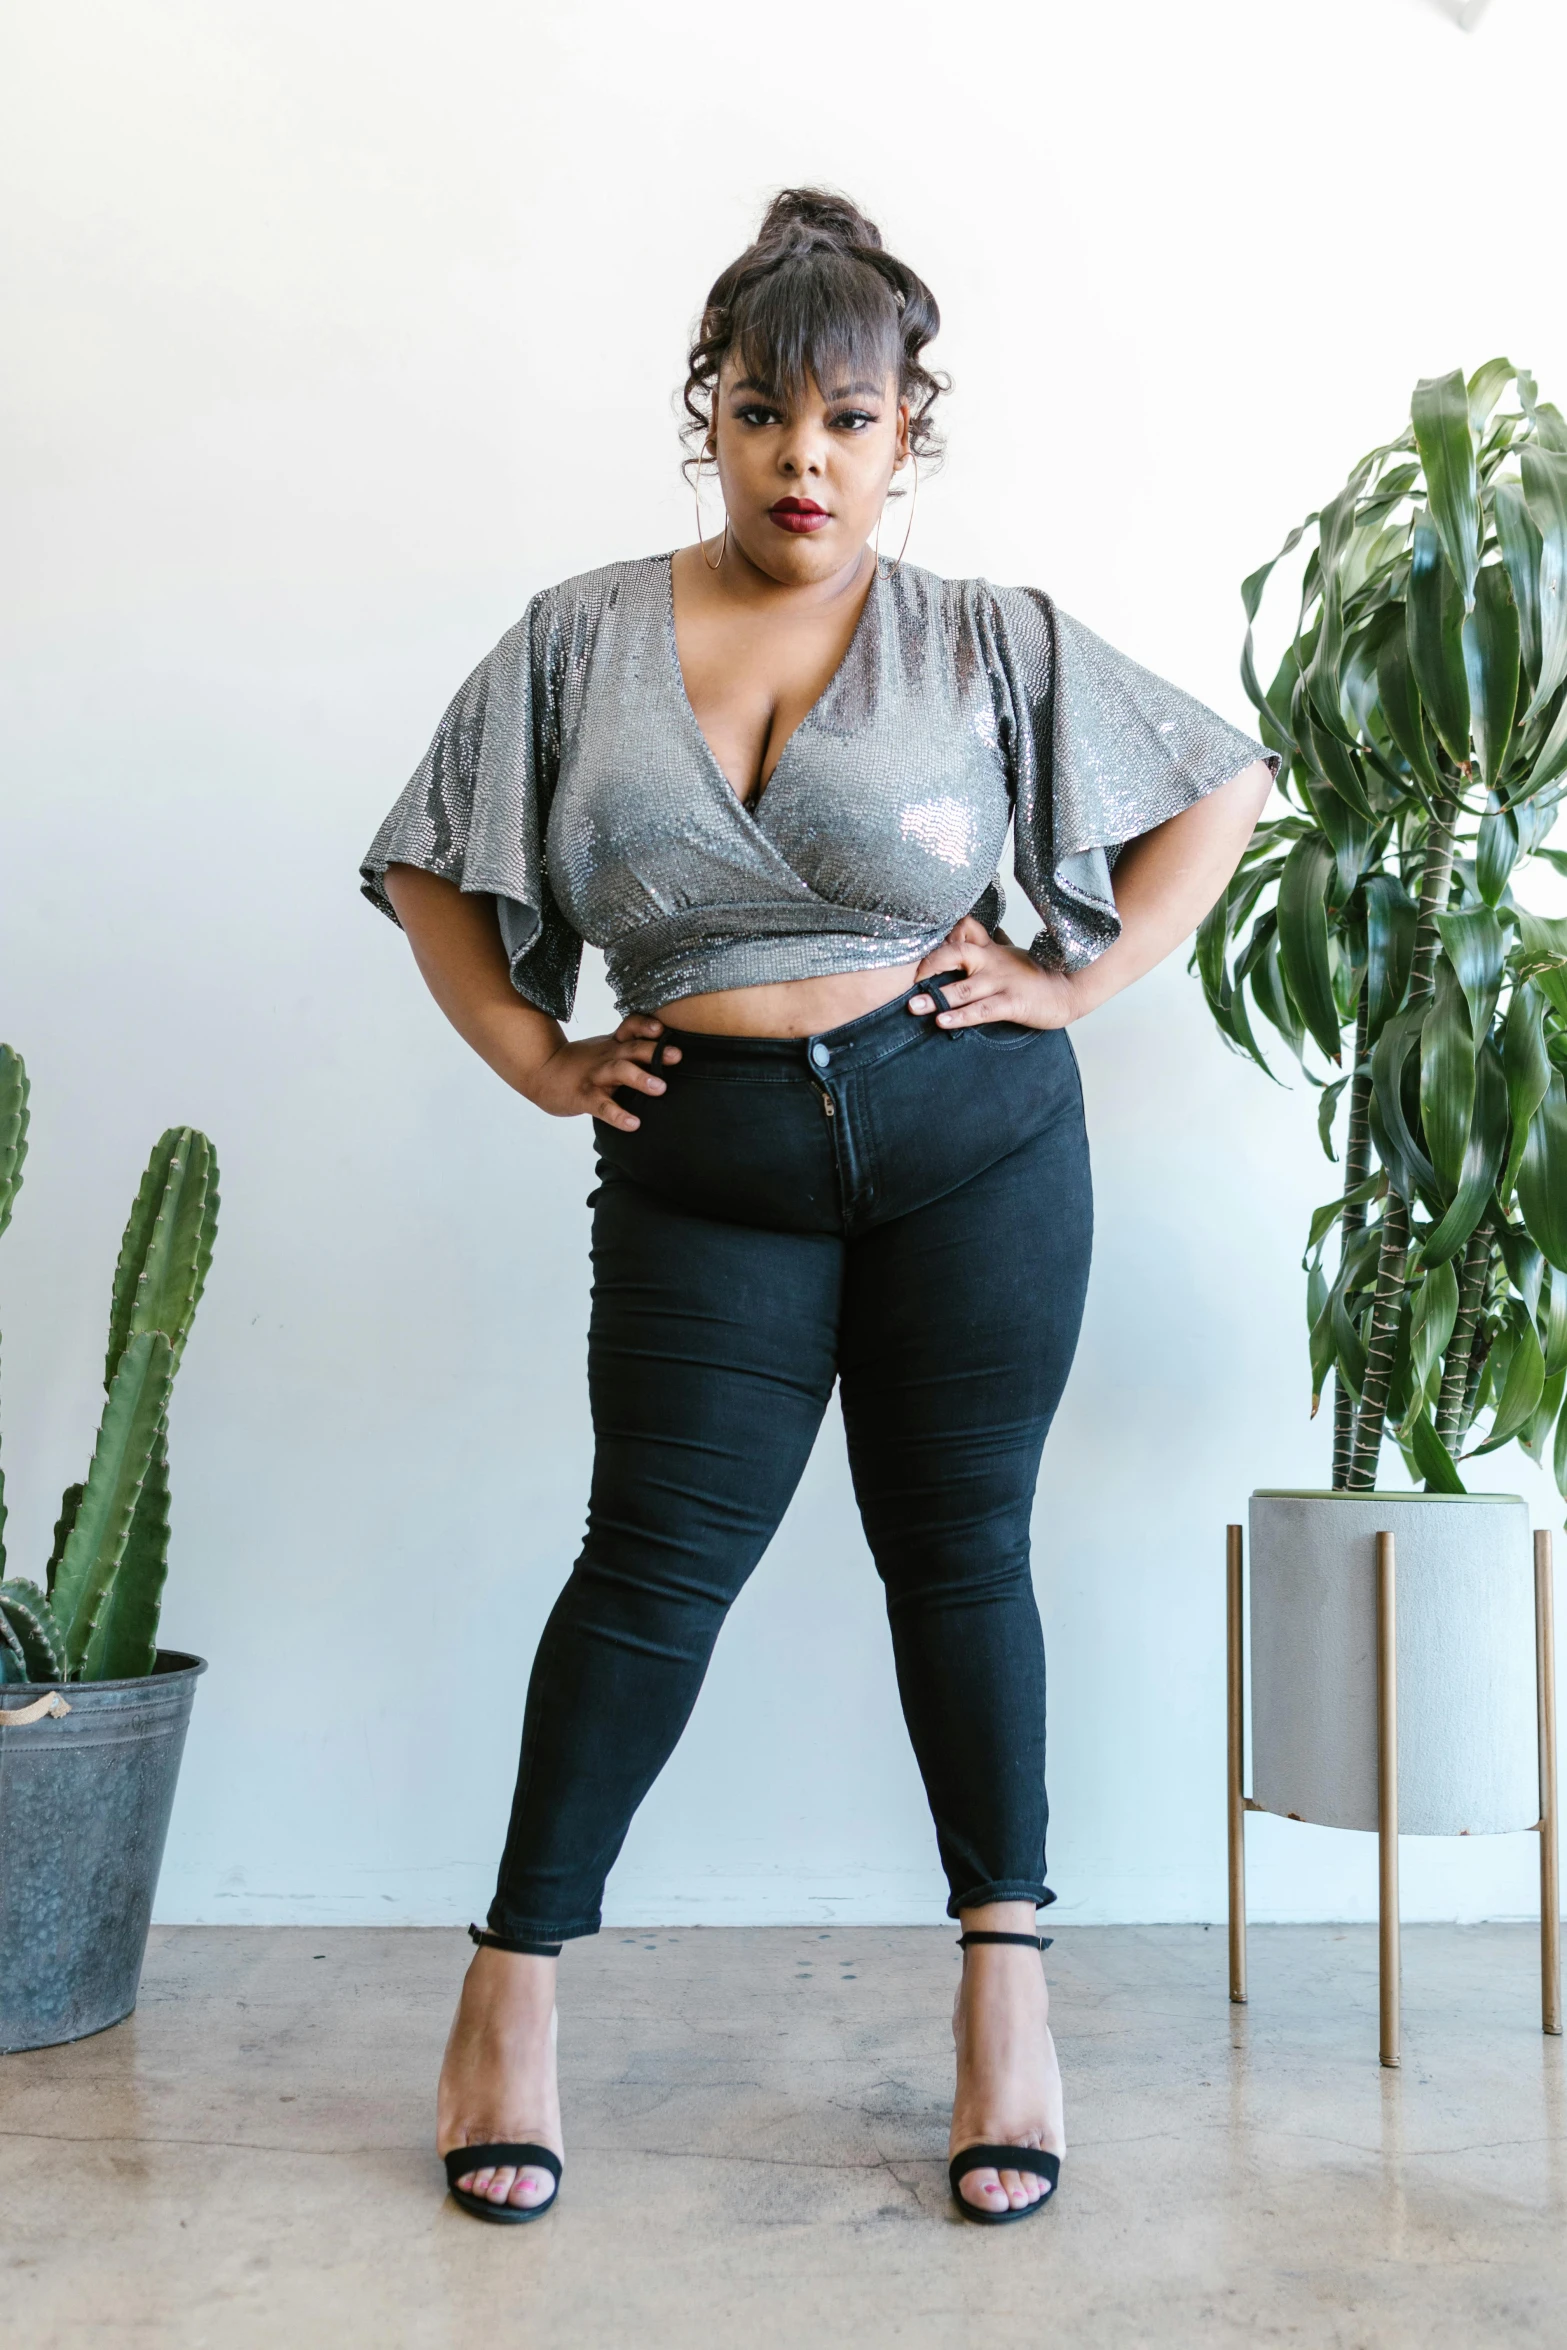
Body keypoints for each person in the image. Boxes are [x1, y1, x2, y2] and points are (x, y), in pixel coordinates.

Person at [361, 187, 1273, 2229]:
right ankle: (509, 1990)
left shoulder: (988, 635)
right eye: (768, 414)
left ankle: (1004, 2008)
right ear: (714, 417)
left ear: (907, 432)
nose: (806, 459)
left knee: (963, 1555)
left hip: (977, 1144)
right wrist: (533, 1050)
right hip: (709, 1175)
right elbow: (432, 856)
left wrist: (1078, 979)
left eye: (849, 420)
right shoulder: (580, 636)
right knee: (649, 1573)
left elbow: (1217, 778)